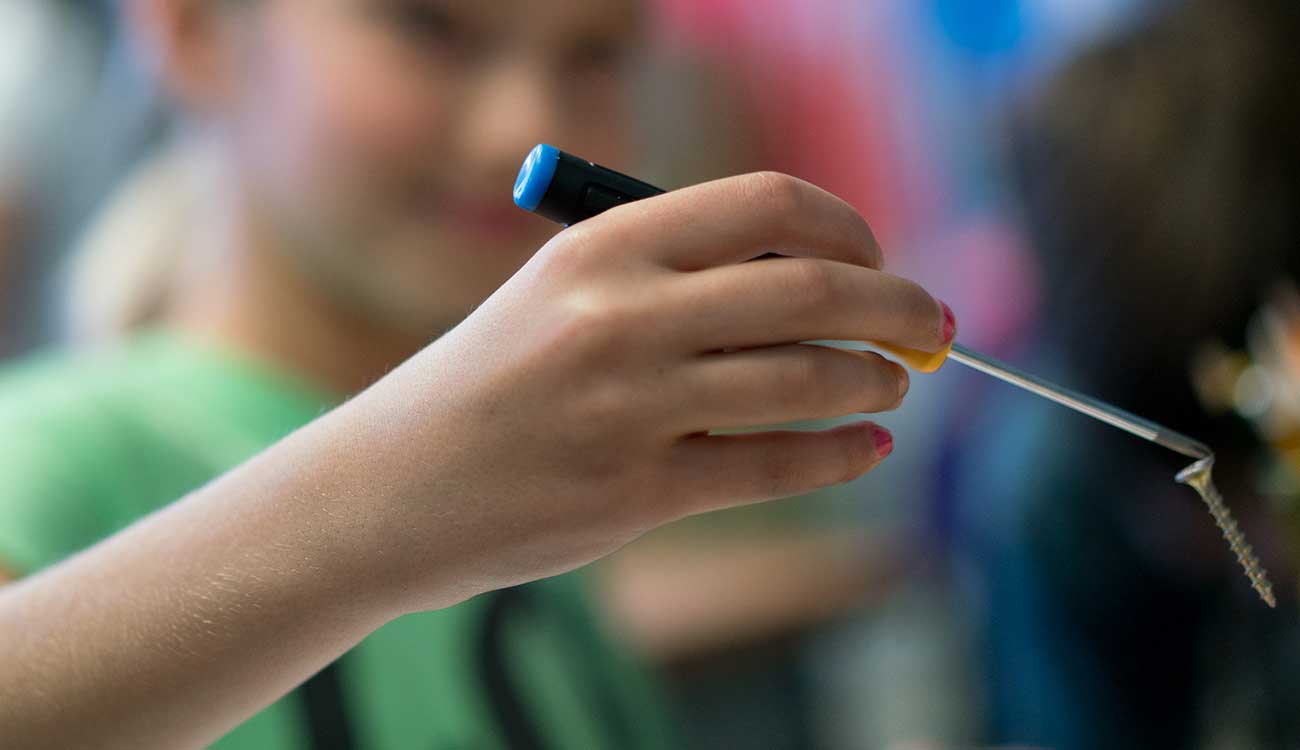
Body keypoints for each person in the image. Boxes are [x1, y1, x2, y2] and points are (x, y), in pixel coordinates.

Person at [0, 1, 955, 747]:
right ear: (192, 24)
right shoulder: (46, 448)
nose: (523, 128)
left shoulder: (552, 484)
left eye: (595, 51)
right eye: (431, 25)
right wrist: (390, 502)